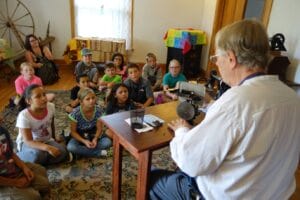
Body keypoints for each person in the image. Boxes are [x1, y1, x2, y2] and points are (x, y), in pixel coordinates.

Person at [149, 19, 300, 200]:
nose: (217, 65)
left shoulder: (235, 101)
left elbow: (191, 162)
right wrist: (209, 109)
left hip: (220, 196)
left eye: (216, 58)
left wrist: (182, 131)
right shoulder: (291, 97)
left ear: (231, 58)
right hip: (275, 194)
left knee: (152, 178)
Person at [16, 84, 68, 165]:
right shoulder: (24, 116)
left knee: (63, 151)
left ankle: (39, 160)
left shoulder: (51, 106)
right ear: (29, 101)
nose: (44, 98)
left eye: (44, 94)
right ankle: (22, 156)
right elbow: (28, 141)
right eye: (38, 96)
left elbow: (52, 124)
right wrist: (48, 148)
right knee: (37, 155)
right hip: (29, 143)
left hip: (46, 140)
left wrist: (54, 138)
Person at [0, 125, 50, 200]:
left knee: (42, 173)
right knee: (34, 197)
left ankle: (28, 191)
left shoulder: (2, 130)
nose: (1, 118)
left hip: (11, 169)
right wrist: (16, 182)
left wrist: (24, 168)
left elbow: (11, 154)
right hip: (3, 183)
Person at [67, 88, 112, 158]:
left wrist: (95, 139)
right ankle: (99, 152)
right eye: (88, 99)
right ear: (81, 102)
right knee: (71, 147)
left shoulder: (98, 110)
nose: (91, 101)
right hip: (80, 136)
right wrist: (84, 141)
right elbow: (73, 132)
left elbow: (99, 128)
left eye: (93, 98)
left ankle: (82, 151)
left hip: (92, 134)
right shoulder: (75, 113)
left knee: (107, 142)